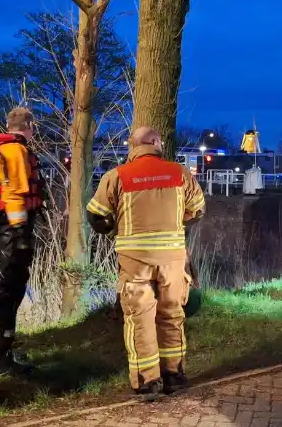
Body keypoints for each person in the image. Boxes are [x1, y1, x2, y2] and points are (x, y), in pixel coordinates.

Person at [86, 126, 206, 397]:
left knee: (139, 318)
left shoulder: (116, 176)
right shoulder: (180, 174)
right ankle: (174, 375)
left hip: (135, 260)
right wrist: (178, 222)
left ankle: (147, 381)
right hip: (172, 260)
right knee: (172, 314)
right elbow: (198, 210)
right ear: (154, 142)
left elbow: (95, 215)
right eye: (160, 141)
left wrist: (113, 226)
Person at [0, 106, 43, 376]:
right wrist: (20, 232)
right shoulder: (16, 151)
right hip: (10, 227)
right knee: (10, 288)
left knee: (0, 287)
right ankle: (1, 360)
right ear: (29, 125)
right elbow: (15, 194)